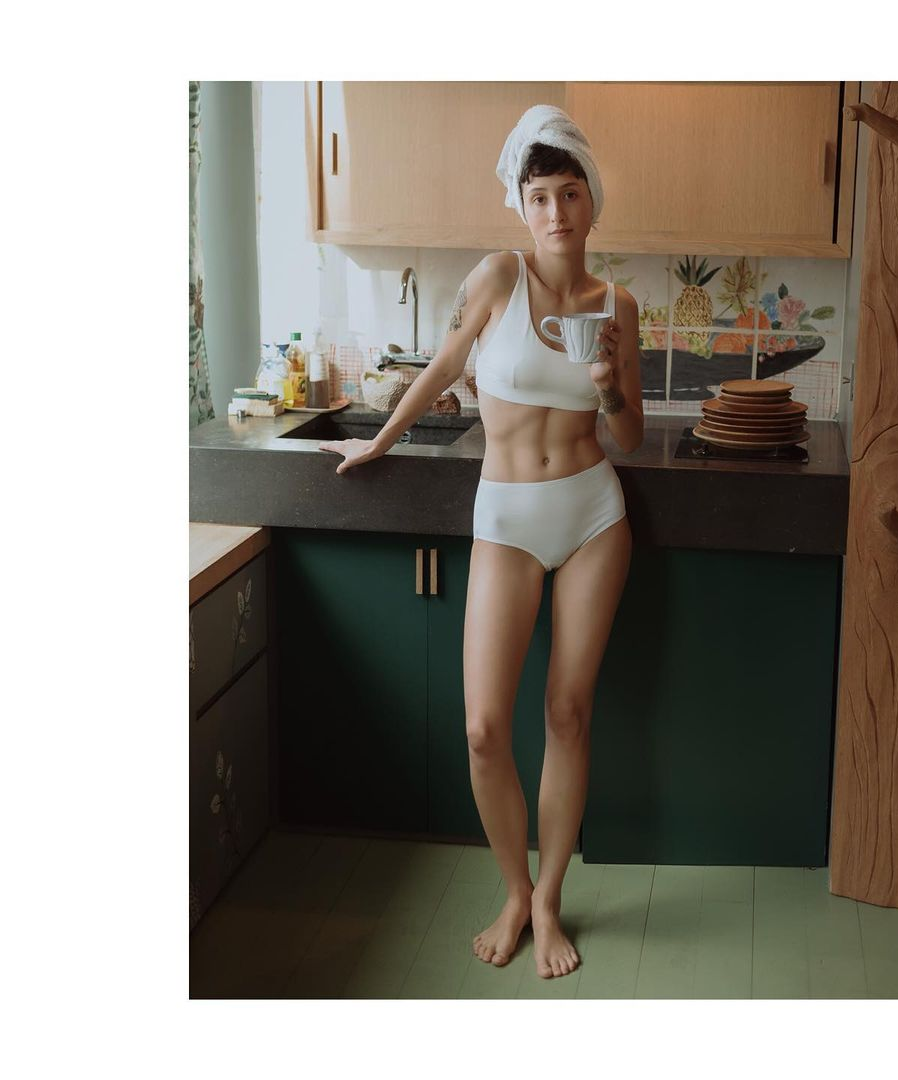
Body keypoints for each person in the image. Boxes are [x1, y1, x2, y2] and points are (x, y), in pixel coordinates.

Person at [318, 105, 643, 979]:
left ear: (590, 199)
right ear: (521, 205)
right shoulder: (498, 277)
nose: (555, 213)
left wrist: (609, 385)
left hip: (592, 516)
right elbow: (443, 365)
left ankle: (550, 899)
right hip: (504, 518)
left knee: (568, 713)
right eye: (539, 197)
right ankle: (513, 890)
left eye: (568, 193)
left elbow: (629, 437)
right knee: (483, 729)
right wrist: (379, 442)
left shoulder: (617, 305)